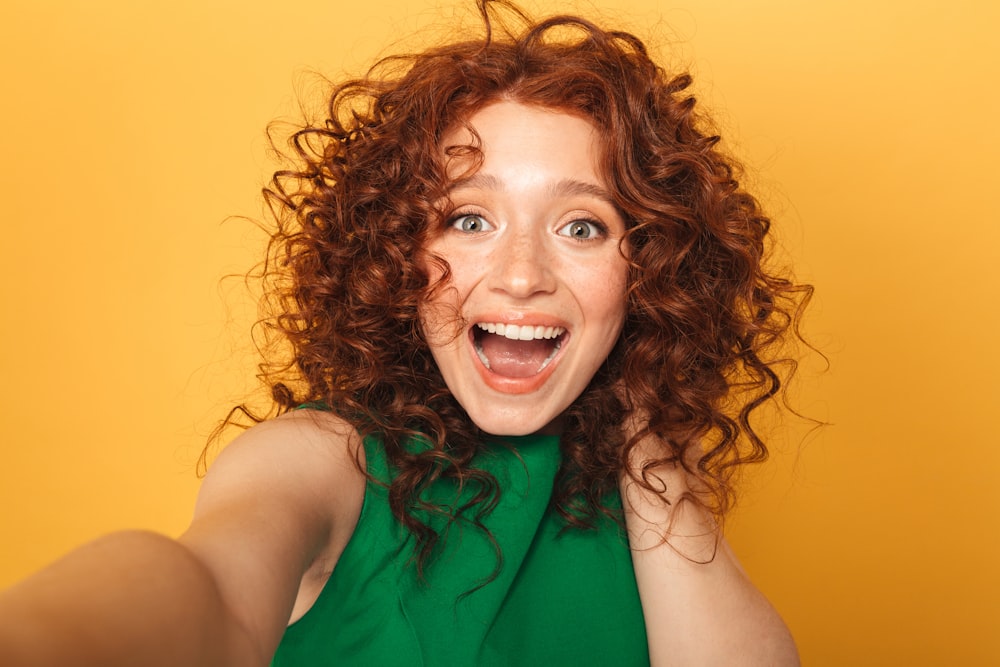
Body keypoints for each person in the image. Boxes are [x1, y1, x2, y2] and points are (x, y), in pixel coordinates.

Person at [0, 1, 809, 664]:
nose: (521, 273)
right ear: (397, 252)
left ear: (652, 267)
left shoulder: (649, 466)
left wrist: (650, 421)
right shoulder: (322, 457)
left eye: (583, 227)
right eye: (468, 217)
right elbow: (206, 589)